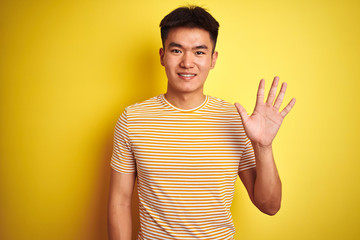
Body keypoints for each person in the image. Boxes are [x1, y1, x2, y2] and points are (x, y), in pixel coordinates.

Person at [108, 5, 296, 240]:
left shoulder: (235, 120)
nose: (187, 62)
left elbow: (269, 206)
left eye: (199, 52)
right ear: (162, 56)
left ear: (213, 59)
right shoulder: (132, 119)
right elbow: (120, 202)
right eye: (177, 51)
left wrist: (264, 146)